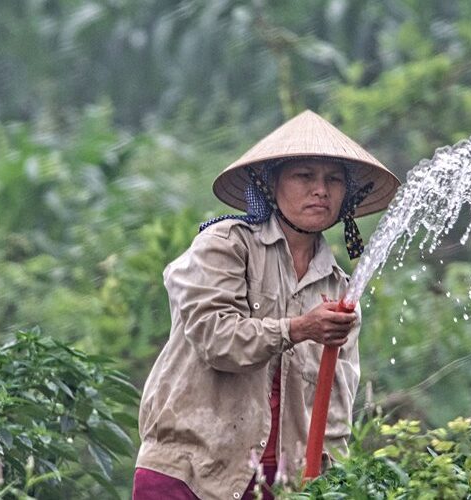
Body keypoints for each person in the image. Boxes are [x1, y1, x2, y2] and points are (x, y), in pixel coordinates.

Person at [132, 110, 401, 499]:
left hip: (278, 486)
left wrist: (329, 484)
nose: (321, 190)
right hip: (188, 473)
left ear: (347, 196)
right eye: (304, 176)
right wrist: (299, 328)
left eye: (334, 180)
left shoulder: (340, 290)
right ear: (271, 184)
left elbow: (335, 413)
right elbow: (216, 340)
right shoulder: (225, 245)